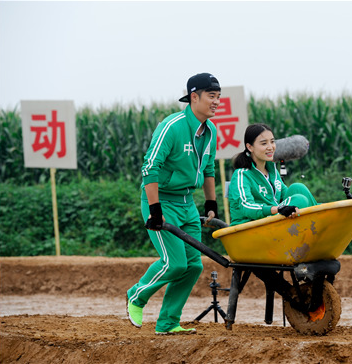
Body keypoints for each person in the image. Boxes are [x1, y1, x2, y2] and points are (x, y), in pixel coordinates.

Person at [126, 73, 221, 335]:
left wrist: (210, 201)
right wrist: (155, 210)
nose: (216, 102)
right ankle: (137, 296)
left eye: (218, 97)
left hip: (187, 204)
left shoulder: (211, 131)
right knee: (174, 263)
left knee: (193, 266)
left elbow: (209, 168)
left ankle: (167, 322)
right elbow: (150, 167)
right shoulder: (172, 126)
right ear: (194, 97)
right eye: (211, 96)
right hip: (162, 202)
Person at [228, 123, 318, 226]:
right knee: (300, 199)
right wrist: (277, 209)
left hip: (272, 220)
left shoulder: (272, 170)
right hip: (252, 225)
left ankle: (322, 218)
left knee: (298, 188)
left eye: (272, 142)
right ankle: (319, 225)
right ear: (250, 147)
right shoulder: (241, 175)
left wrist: (285, 208)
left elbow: (285, 196)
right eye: (264, 143)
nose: (270, 147)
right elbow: (246, 206)